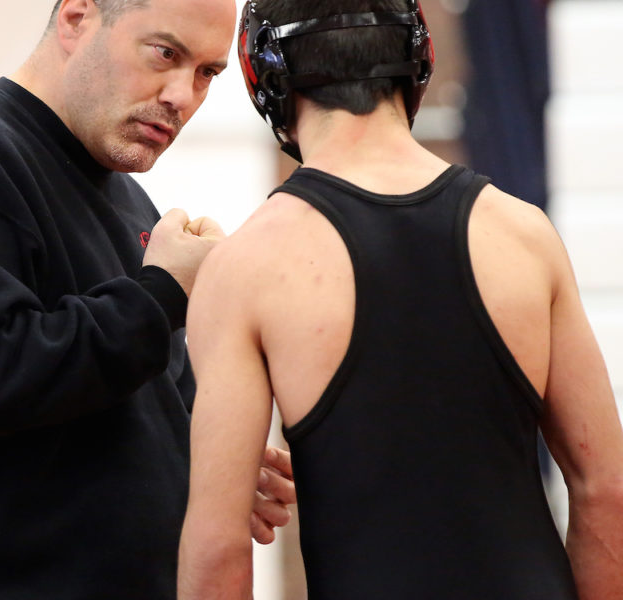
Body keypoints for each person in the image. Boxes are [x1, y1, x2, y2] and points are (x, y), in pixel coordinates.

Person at [0, 1, 296, 598]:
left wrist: (203, 454)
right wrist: (160, 295)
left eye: (207, 73)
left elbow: (109, 403)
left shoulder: (131, 204)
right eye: (165, 54)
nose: (183, 96)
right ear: (77, 19)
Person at [178, 1, 623, 598]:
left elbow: (218, 547)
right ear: (420, 59)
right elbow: (606, 489)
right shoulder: (524, 235)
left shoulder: (246, 267)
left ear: (266, 79)